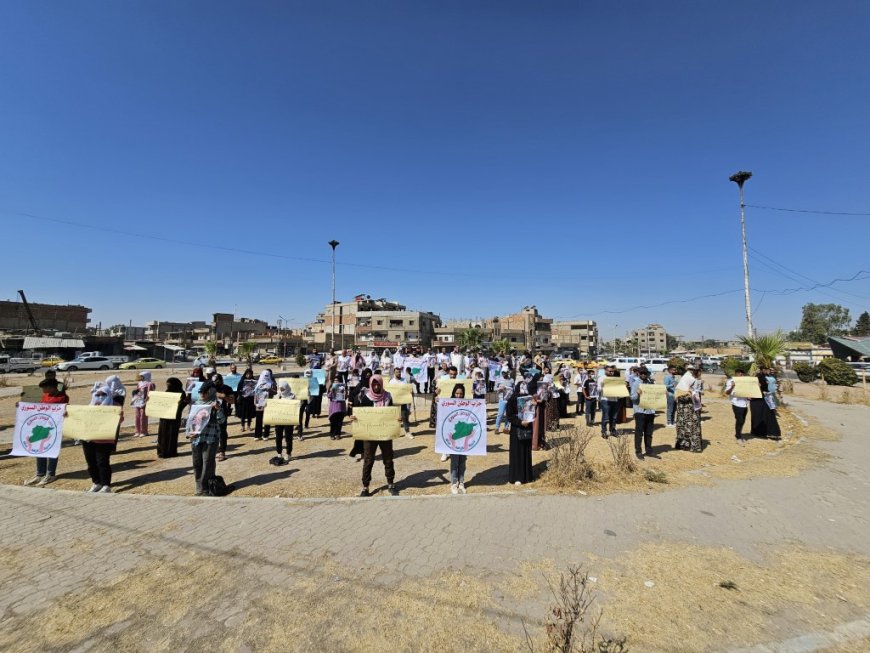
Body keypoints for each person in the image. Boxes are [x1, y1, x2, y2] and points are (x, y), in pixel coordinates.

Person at [351, 374, 399, 497]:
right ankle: (365, 487)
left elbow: (391, 413)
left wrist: (396, 418)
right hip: (370, 435)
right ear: (371, 385)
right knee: (368, 460)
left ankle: (390, 484)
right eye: (374, 384)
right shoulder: (366, 398)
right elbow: (361, 414)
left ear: (382, 384)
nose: (376, 386)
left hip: (385, 434)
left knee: (388, 459)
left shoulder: (388, 396)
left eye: (378, 384)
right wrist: (355, 417)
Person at [22, 378, 69, 487]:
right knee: (40, 449)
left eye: (44, 387)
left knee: (52, 449)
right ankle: (40, 473)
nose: (42, 390)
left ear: (52, 387)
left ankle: (50, 474)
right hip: (42, 426)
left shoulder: (62, 397)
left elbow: (65, 409)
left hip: (54, 427)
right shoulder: (46, 396)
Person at [81, 377, 124, 493]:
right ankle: (96, 482)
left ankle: (106, 484)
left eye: (103, 394)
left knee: (102, 462)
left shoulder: (114, 406)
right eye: (98, 394)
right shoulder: (90, 406)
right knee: (91, 463)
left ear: (108, 394)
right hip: (89, 439)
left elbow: (119, 420)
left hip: (104, 440)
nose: (100, 397)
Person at [187, 381, 226, 496]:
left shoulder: (215, 404)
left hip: (211, 438)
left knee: (207, 463)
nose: (202, 395)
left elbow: (222, 420)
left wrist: (218, 410)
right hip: (196, 438)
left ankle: (206, 488)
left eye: (204, 393)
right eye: (201, 393)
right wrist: (189, 433)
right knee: (197, 463)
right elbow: (190, 421)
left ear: (210, 393)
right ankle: (199, 488)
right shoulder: (196, 404)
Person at [506, 379, 534, 485]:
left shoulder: (529, 399)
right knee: (517, 453)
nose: (523, 389)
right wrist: (520, 422)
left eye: (525, 387)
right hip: (516, 429)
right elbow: (509, 416)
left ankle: (527, 476)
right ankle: (517, 477)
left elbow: (532, 413)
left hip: (527, 427)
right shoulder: (512, 399)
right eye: (521, 387)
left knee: (526, 451)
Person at [446, 384, 470, 494]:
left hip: (464, 437)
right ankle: (454, 483)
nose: (459, 396)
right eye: (457, 393)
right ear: (453, 393)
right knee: (454, 461)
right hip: (454, 438)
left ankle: (461, 482)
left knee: (462, 461)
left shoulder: (467, 404)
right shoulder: (448, 404)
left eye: (461, 394)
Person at [156, 377, 188, 458]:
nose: (168, 386)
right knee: (162, 434)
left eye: (169, 385)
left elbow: (182, 405)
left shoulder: (181, 392)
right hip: (164, 417)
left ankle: (170, 452)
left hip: (174, 417)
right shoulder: (167, 392)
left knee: (172, 434)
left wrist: (181, 403)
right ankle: (162, 451)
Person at [675, 366, 703, 452]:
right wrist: (689, 395)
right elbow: (680, 397)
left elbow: (698, 393)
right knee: (686, 428)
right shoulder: (685, 384)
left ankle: (692, 445)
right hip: (687, 412)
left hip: (693, 410)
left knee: (691, 427)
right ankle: (686, 445)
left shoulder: (695, 382)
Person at [630, 367, 656, 459]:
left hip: (650, 410)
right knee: (639, 432)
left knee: (649, 432)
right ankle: (638, 451)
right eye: (642, 373)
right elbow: (632, 398)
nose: (644, 375)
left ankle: (649, 450)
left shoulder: (650, 383)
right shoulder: (636, 383)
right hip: (640, 411)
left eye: (645, 373)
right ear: (639, 374)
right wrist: (637, 394)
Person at [750, 369, 781, 439]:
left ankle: (772, 432)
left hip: (765, 398)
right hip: (756, 399)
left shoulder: (767, 376)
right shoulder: (757, 377)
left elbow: (769, 387)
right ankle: (758, 432)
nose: (767, 370)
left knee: (769, 415)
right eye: (765, 369)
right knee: (758, 416)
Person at [724, 368, 750, 444]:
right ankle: (738, 437)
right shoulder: (731, 381)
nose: (741, 375)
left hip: (745, 404)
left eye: (742, 373)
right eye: (740, 373)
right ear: (736, 373)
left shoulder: (745, 382)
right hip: (736, 404)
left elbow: (747, 391)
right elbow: (727, 392)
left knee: (743, 421)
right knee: (740, 420)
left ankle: (739, 434)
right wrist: (732, 386)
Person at [213, 373, 234, 461]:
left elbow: (232, 401)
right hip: (209, 413)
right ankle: (213, 451)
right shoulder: (209, 388)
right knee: (213, 432)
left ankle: (222, 451)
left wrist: (223, 397)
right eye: (214, 381)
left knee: (222, 432)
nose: (215, 383)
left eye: (217, 381)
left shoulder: (227, 388)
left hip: (222, 413)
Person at [273, 381, 296, 460]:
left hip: (288, 420)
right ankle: (279, 452)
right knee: (278, 437)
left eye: (283, 389)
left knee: (288, 437)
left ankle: (288, 453)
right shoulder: (277, 396)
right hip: (279, 419)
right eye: (280, 389)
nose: (282, 390)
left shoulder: (292, 396)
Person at [388, 368, 413, 438]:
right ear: (394, 373)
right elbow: (389, 392)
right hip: (394, 403)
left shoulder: (404, 380)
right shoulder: (391, 382)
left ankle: (407, 432)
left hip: (403, 402)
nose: (398, 373)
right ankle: (395, 433)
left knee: (404, 417)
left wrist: (410, 392)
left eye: (399, 372)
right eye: (397, 372)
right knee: (394, 418)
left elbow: (407, 389)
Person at [130, 371, 156, 438]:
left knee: (143, 417)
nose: (140, 377)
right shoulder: (139, 383)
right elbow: (137, 392)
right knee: (137, 416)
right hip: (138, 402)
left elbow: (150, 394)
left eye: (142, 376)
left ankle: (143, 431)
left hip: (145, 402)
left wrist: (146, 402)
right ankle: (137, 431)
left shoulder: (150, 384)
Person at [253, 369, 276, 441]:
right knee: (259, 420)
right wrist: (255, 402)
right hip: (259, 404)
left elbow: (276, 392)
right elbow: (255, 393)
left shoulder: (272, 383)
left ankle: (266, 435)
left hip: (268, 404)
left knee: (267, 420)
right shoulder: (258, 383)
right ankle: (257, 435)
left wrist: (270, 390)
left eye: (267, 375)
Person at [598, 365, 620, 438]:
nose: (611, 372)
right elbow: (598, 389)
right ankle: (604, 431)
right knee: (606, 417)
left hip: (615, 399)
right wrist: (603, 386)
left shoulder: (615, 379)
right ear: (605, 371)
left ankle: (612, 430)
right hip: (605, 400)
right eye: (610, 371)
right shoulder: (601, 378)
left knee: (614, 417)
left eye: (612, 371)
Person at [494, 369, 514, 434]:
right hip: (502, 399)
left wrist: (509, 389)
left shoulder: (511, 380)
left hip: (509, 399)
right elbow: (494, 388)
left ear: (507, 372)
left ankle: (506, 428)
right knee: (500, 413)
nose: (503, 374)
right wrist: (499, 389)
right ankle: (497, 428)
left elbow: (514, 389)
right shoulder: (498, 379)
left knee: (508, 414)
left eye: (505, 372)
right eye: (502, 372)